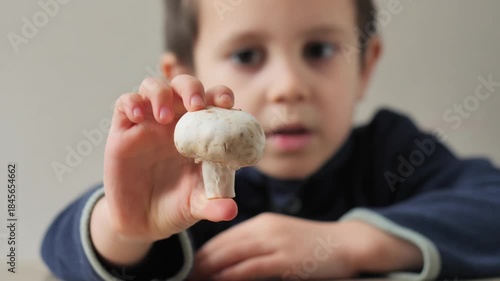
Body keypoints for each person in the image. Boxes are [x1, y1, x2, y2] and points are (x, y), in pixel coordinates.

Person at [41, 0, 500, 280]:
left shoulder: (391, 152)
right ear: (185, 76)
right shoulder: (182, 184)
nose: (288, 86)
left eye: (320, 50)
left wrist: (354, 242)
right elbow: (56, 248)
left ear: (366, 65)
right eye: (246, 55)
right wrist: (122, 232)